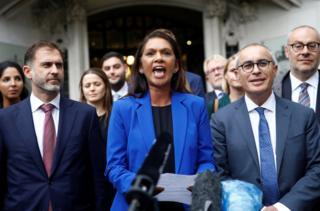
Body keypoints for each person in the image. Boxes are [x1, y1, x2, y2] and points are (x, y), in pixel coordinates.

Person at [106, 29, 215, 211]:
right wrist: (139, 184)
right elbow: (114, 167)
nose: (159, 58)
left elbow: (207, 160)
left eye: (166, 53)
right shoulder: (122, 109)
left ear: (176, 65)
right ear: (140, 66)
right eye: (150, 53)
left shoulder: (196, 106)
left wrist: (202, 180)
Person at [211, 43, 320, 210]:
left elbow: (316, 168)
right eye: (247, 65)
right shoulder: (221, 121)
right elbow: (221, 175)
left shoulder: (303, 115)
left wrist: (282, 208)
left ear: (275, 70)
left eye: (263, 63)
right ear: (238, 74)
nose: (256, 70)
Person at [0, 41, 107, 210]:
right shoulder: (5, 119)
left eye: (59, 65)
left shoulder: (85, 116)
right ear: (28, 71)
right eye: (46, 65)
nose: (55, 70)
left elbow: (98, 177)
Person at [79, 67, 115, 210]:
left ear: (106, 86)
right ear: (82, 90)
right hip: (85, 185)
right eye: (87, 86)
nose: (92, 89)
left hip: (112, 183)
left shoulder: (116, 116)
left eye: (97, 84)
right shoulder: (76, 119)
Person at [273, 25, 320, 122]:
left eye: (312, 46)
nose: (305, 51)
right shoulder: (271, 90)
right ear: (287, 51)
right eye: (298, 46)